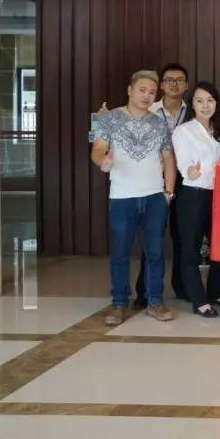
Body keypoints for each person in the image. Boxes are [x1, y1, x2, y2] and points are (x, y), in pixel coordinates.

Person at [91, 70, 175, 326]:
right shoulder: (111, 119)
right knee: (120, 253)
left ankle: (155, 301)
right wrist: (102, 162)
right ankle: (119, 303)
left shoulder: (159, 122)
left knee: (155, 253)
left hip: (154, 197)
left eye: (152, 92)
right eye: (142, 90)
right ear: (130, 90)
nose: (146, 96)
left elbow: (169, 158)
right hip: (122, 197)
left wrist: (169, 192)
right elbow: (98, 149)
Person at [172, 81, 220, 319]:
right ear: (192, 104)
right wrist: (191, 171)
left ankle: (214, 293)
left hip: (218, 195)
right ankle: (199, 300)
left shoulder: (219, 129)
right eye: (200, 101)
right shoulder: (184, 131)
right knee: (190, 250)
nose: (206, 105)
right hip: (193, 194)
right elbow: (184, 164)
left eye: (210, 100)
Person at [139, 63, 188, 306]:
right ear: (161, 85)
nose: (174, 84)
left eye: (179, 80)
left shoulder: (194, 111)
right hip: (153, 179)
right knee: (152, 237)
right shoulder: (148, 110)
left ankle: (182, 286)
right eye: (169, 80)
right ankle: (144, 291)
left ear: (186, 85)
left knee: (183, 236)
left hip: (186, 180)